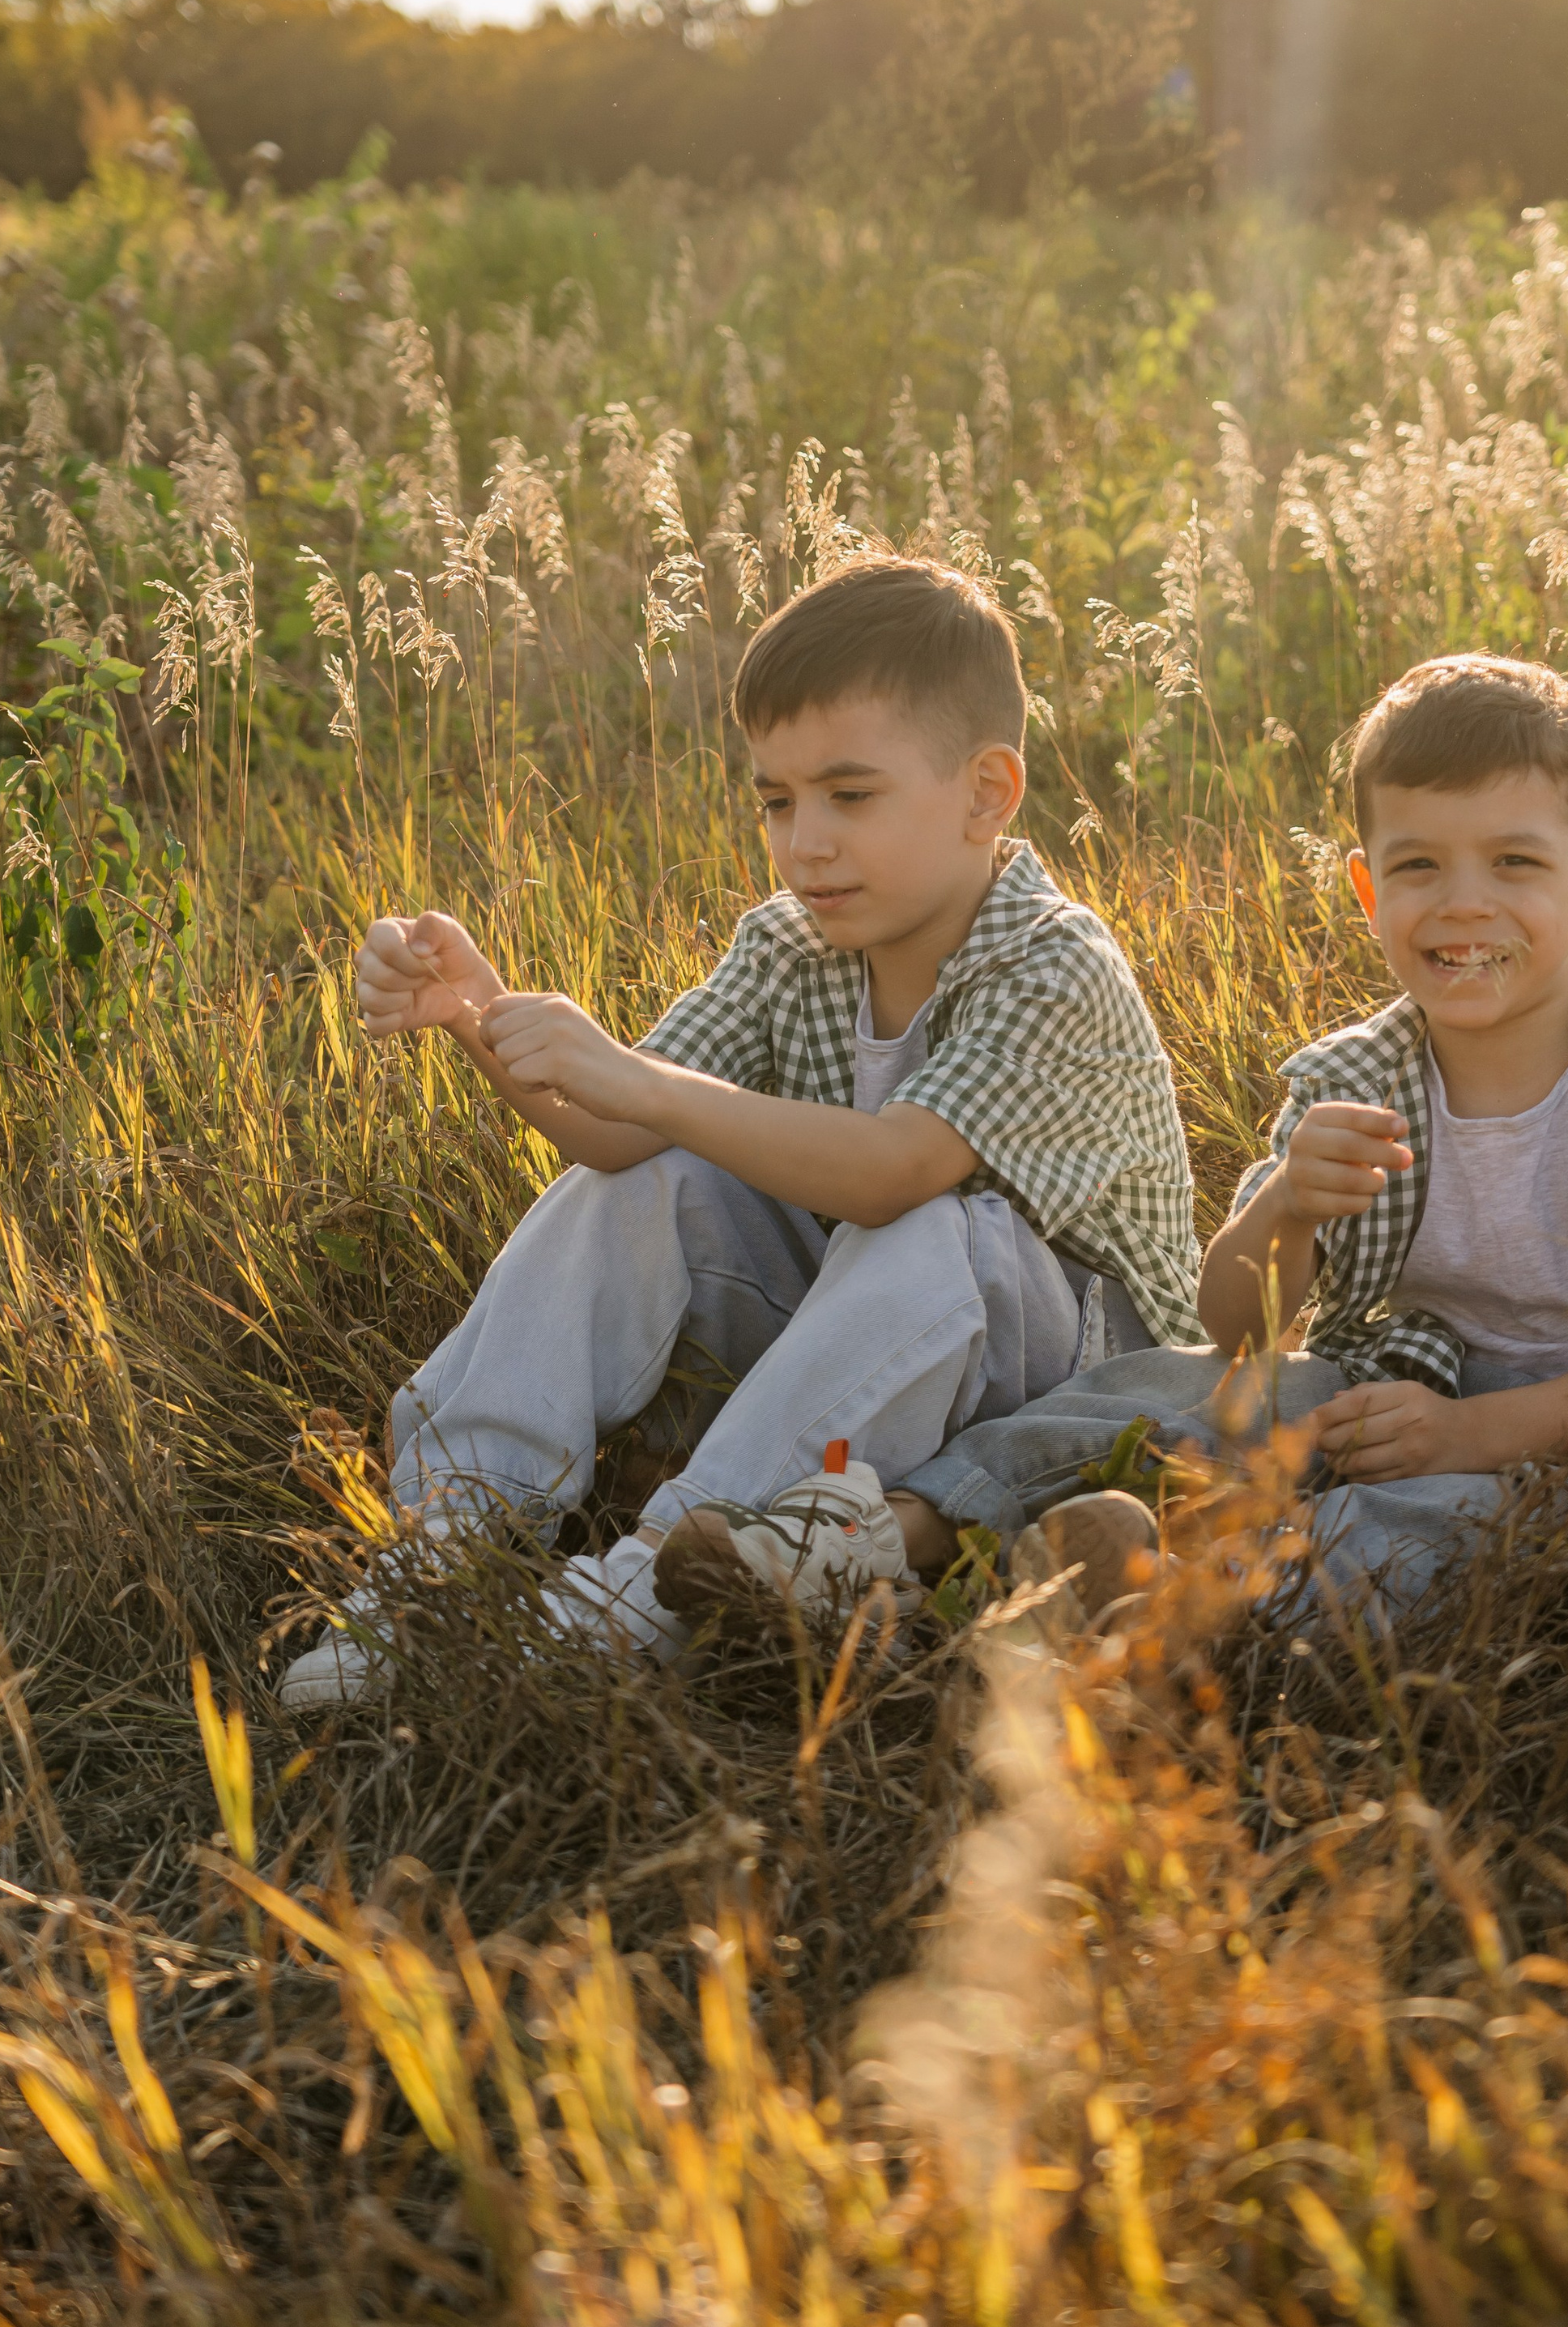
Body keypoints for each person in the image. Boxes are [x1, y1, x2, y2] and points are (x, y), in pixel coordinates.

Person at [280, 555, 1199, 1707]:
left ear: (987, 793)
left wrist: (641, 1084)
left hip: (1065, 1391)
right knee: (646, 1186)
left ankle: (640, 1594)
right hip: (861, 1347)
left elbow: (892, 1174)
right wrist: (480, 1016)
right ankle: (443, 1547)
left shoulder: (1054, 962)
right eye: (777, 800)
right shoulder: (791, 945)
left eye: (849, 796)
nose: (805, 840)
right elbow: (615, 1137)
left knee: (937, 1225)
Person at [893, 652, 1568, 1626]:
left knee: (1422, 1523)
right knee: (1153, 1387)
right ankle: (885, 1541)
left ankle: (1163, 1616)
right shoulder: (1353, 1077)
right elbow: (1240, 1326)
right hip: (1384, 1390)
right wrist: (1285, 1203)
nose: (1462, 902)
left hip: (1567, 1440)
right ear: (1369, 891)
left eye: (1515, 862)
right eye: (1420, 865)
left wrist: (1465, 1435)